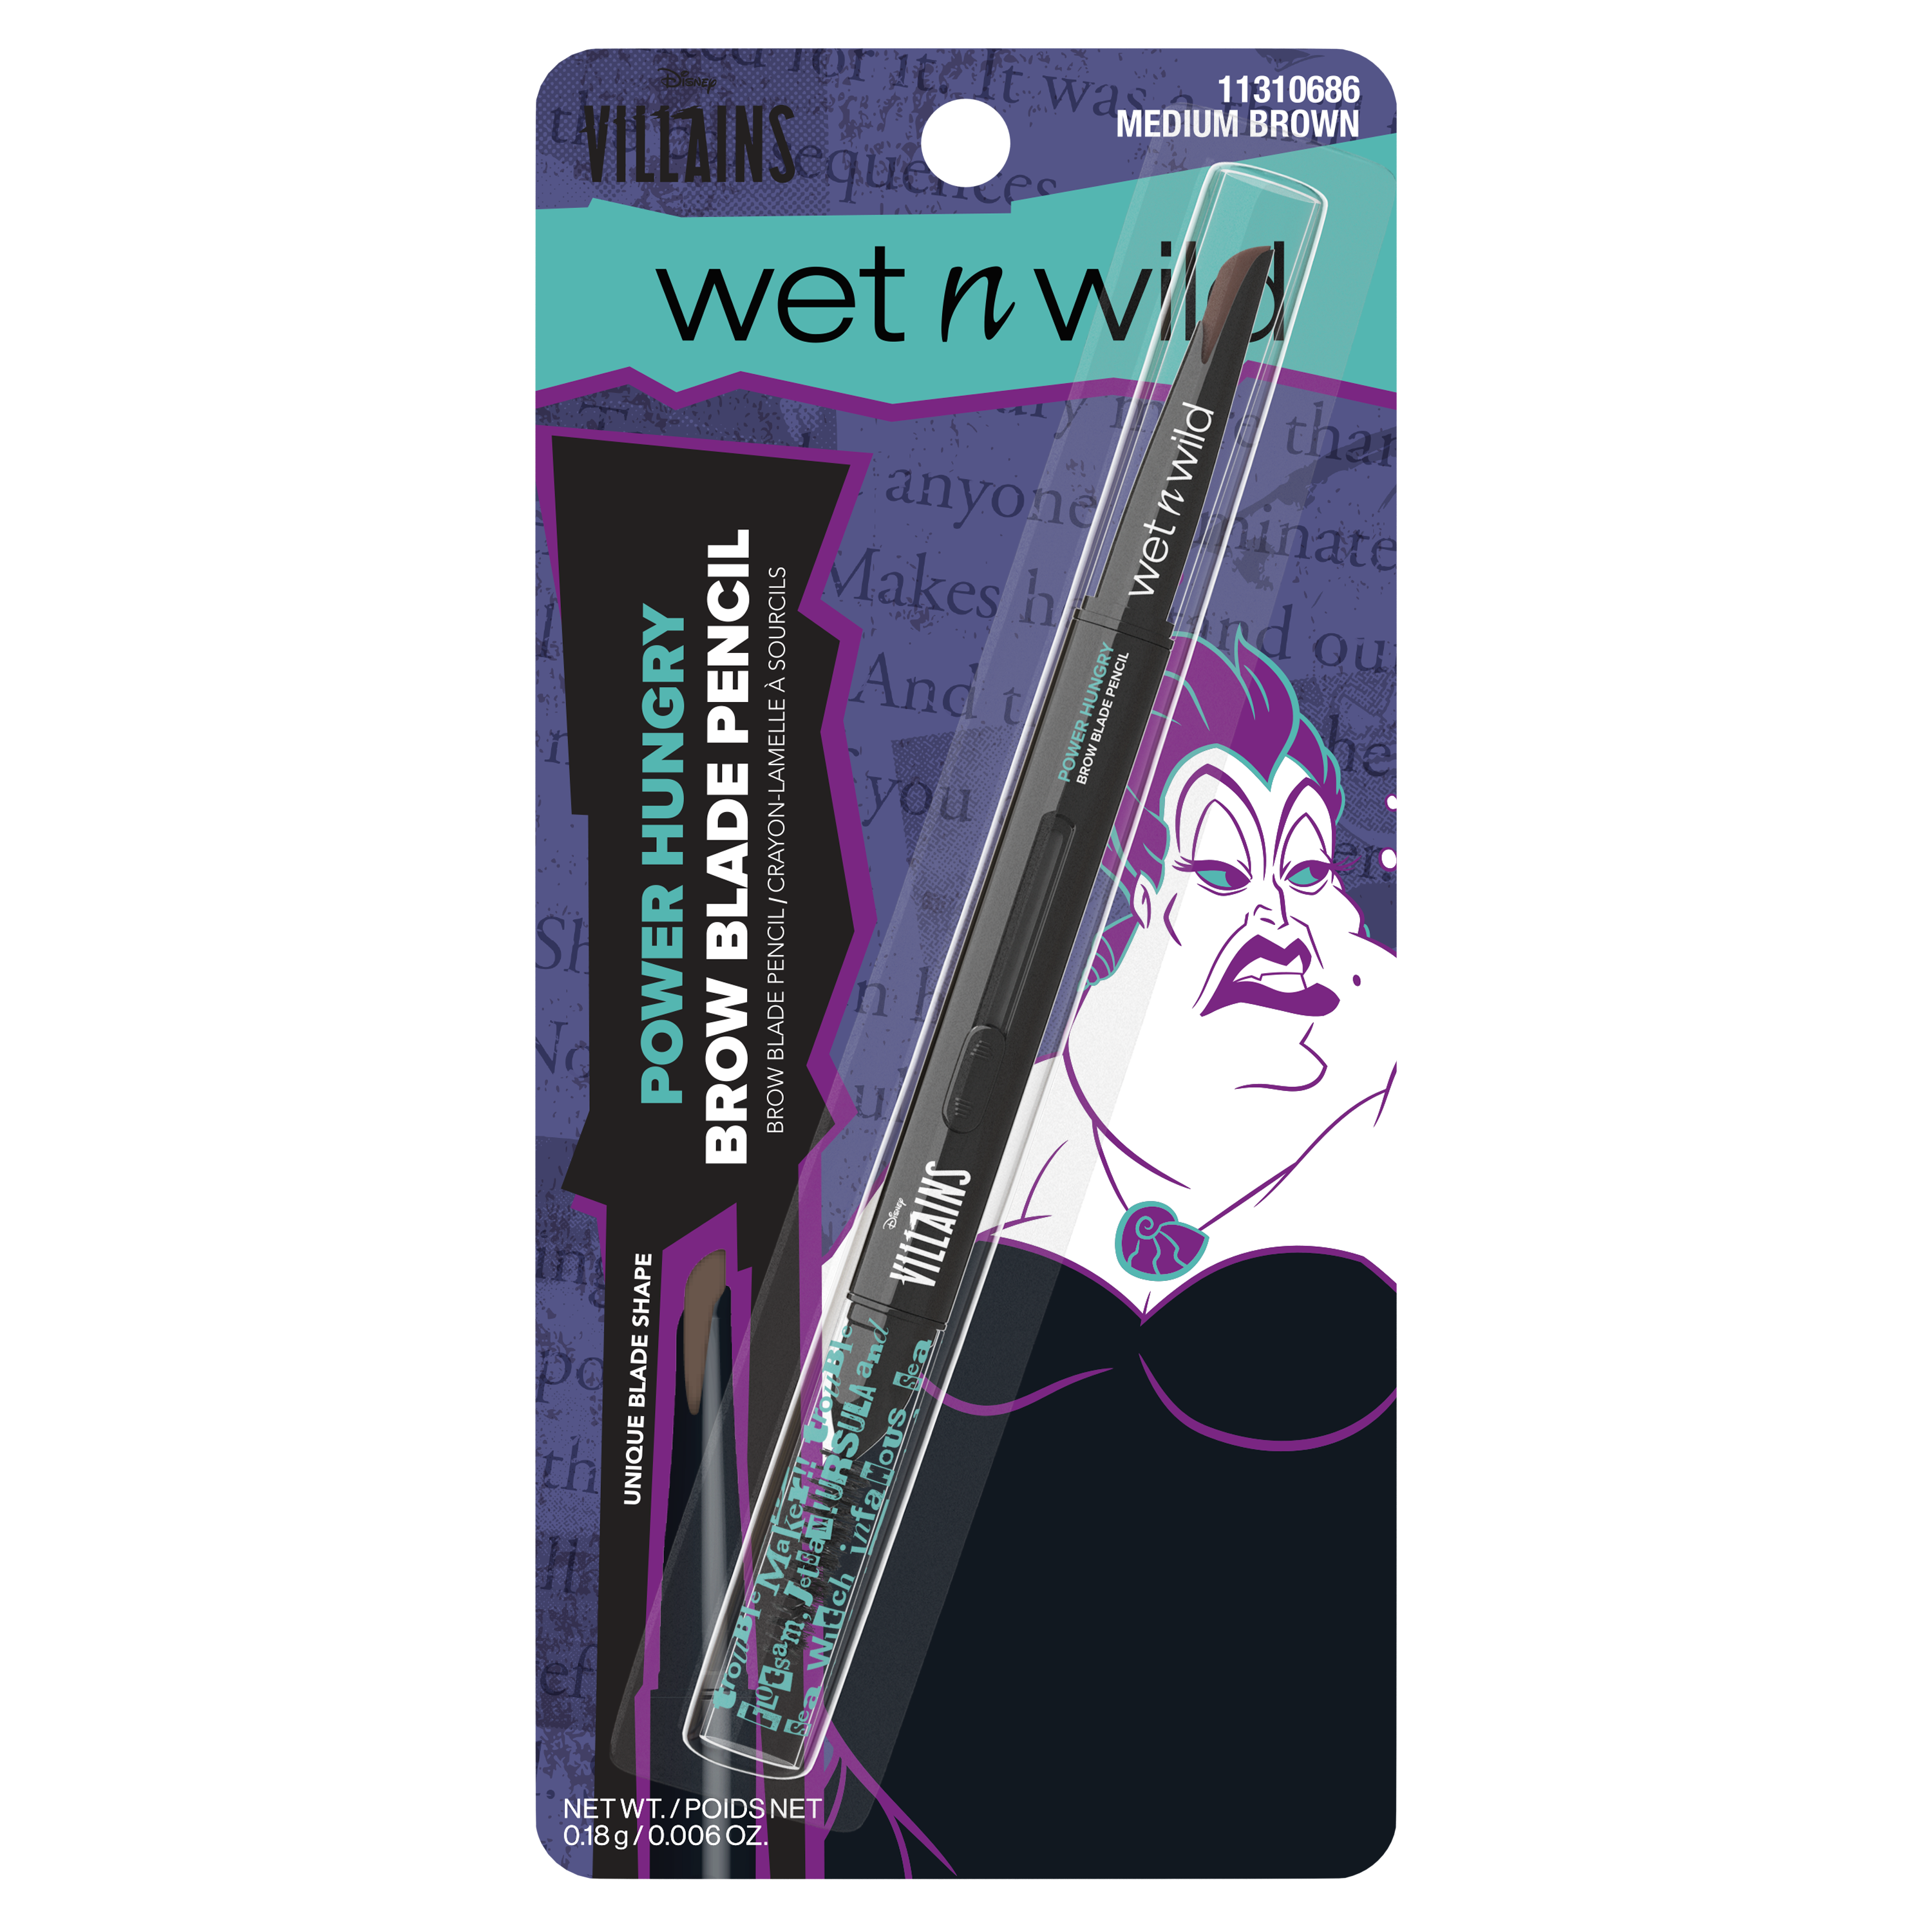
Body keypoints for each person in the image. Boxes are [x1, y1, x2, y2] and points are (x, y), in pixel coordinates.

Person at [986, 632, 1398, 1308]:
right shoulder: (1026, 1126)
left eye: (1306, 873)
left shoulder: (1387, 1102)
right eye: (1223, 875)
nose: (1278, 921)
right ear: (1142, 897)